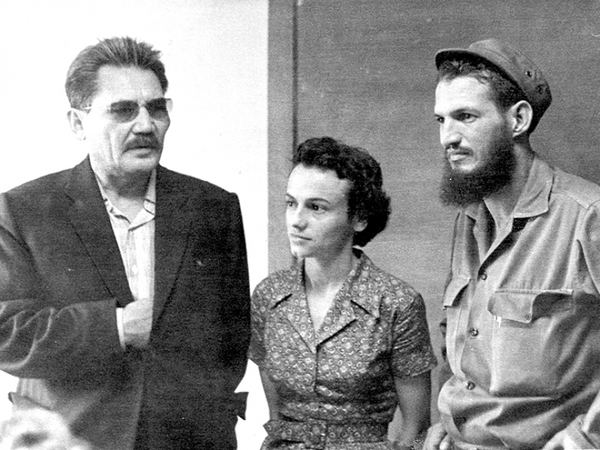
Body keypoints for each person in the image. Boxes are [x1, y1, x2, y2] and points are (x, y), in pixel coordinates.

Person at [0, 36, 250, 450]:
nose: (145, 125)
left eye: (156, 108)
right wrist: (117, 327)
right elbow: (7, 332)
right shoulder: (23, 210)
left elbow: (232, 341)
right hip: (72, 438)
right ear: (77, 123)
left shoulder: (214, 208)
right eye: (123, 110)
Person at [425, 38, 600, 450]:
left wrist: (582, 441)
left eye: (465, 117)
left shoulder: (588, 216)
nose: (448, 137)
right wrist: (444, 423)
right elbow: (458, 343)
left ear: (518, 119)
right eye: (441, 120)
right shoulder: (470, 220)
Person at [249, 137, 437, 450]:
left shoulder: (396, 303)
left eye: (316, 207)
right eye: (291, 203)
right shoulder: (269, 296)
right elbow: (277, 417)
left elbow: (416, 429)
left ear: (359, 218)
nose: (296, 221)